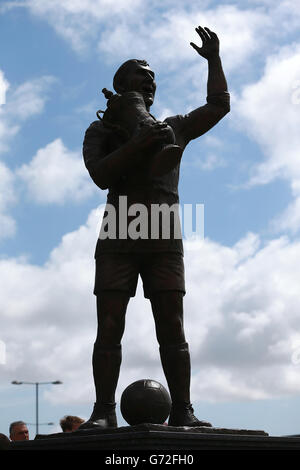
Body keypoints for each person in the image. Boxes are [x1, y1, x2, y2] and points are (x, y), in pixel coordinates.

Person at [82, 25, 230, 428]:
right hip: (120, 229)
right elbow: (101, 174)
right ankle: (103, 412)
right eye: (140, 73)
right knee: (110, 325)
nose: (150, 79)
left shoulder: (172, 127)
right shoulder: (102, 130)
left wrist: (214, 60)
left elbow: (218, 105)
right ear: (121, 86)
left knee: (172, 324)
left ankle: (183, 410)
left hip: (163, 229)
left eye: (153, 77)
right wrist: (139, 144)